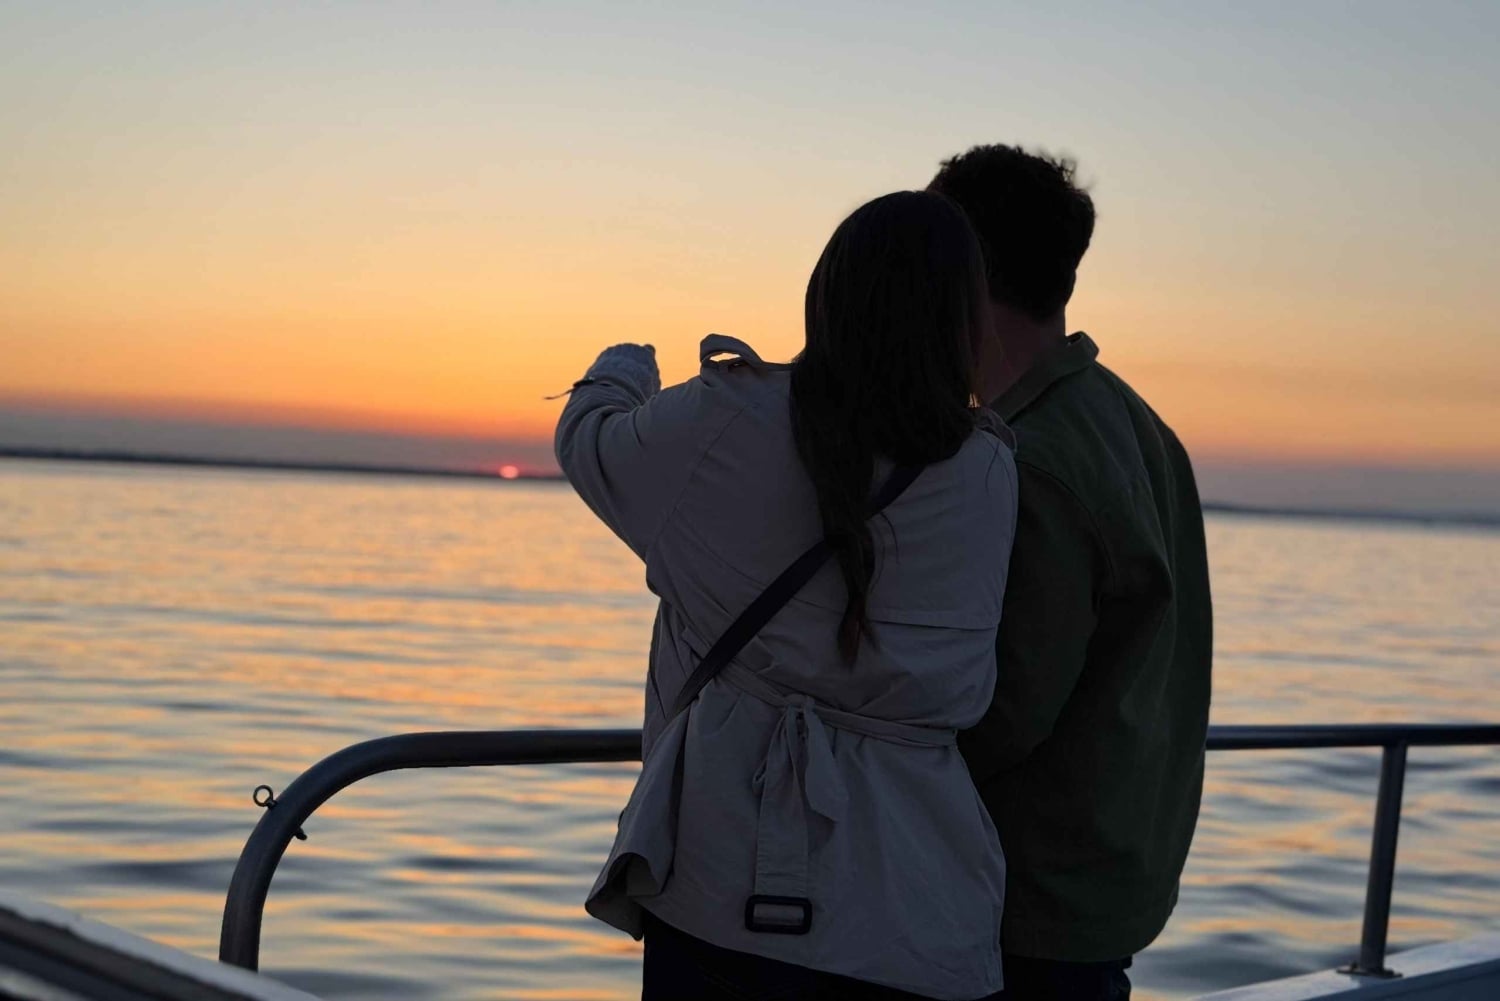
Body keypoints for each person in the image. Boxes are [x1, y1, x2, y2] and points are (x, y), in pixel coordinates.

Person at [555, 191, 1019, 1000]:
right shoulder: (989, 474)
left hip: (727, 896)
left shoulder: (729, 418)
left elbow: (590, 446)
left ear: (827, 295)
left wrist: (619, 370)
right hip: (924, 913)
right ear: (965, 323)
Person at [929, 145, 1214, 1001]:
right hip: (1101, 897)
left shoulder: (1032, 460)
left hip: (1022, 915)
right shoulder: (1141, 428)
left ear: (963, 268)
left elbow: (1000, 708)